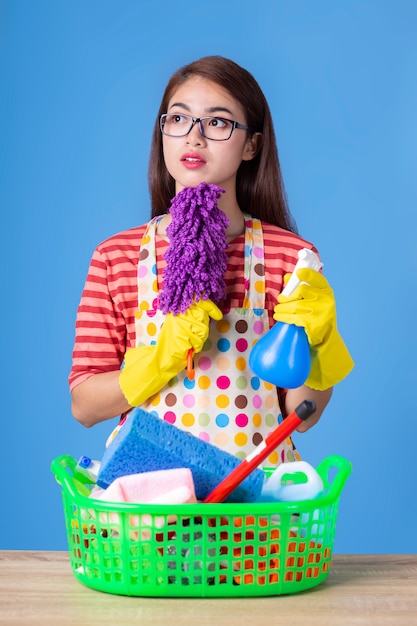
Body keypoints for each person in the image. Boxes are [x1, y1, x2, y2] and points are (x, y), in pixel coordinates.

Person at [69, 55, 353, 466]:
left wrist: (316, 341)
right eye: (179, 119)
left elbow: (301, 416)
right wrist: (159, 359)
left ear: (251, 144)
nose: (193, 138)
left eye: (218, 122)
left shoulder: (293, 257)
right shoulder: (117, 256)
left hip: (254, 507)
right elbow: (84, 406)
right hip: (151, 502)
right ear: (163, 132)